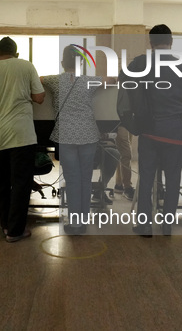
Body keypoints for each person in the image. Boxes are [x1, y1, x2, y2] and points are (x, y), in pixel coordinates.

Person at [0, 37, 45, 243]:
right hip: (22, 135)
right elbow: (39, 98)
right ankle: (15, 231)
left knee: (2, 181)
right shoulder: (26, 66)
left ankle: (5, 225)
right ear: (17, 53)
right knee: (21, 183)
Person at [131, 25, 182, 237]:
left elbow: (127, 85)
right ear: (171, 41)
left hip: (149, 126)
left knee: (147, 176)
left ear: (150, 42)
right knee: (173, 176)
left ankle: (145, 225)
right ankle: (167, 225)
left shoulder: (140, 63)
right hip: (173, 126)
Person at [41, 45, 103, 235]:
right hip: (89, 134)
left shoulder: (54, 80)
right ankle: (83, 221)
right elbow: (111, 81)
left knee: (73, 180)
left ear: (62, 63)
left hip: (66, 135)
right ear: (82, 63)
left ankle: (75, 224)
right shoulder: (89, 81)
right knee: (85, 178)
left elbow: (38, 80)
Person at [114, 126, 135, 201]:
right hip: (121, 120)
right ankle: (126, 186)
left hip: (126, 119)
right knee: (125, 153)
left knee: (124, 153)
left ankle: (120, 184)